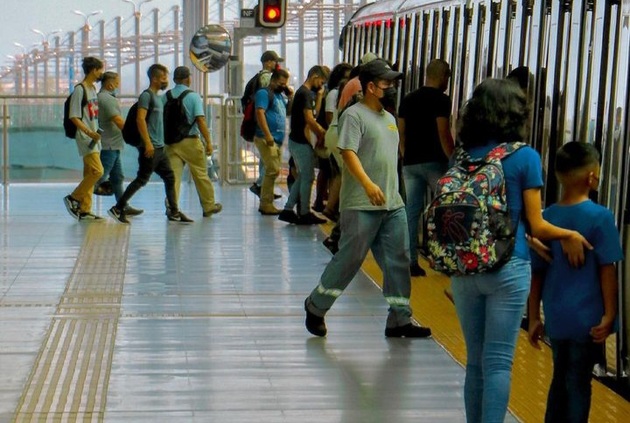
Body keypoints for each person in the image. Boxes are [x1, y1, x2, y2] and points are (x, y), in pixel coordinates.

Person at [449, 78, 592, 423]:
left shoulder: (462, 154)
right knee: (498, 361)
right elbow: (538, 223)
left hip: (466, 267)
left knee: (475, 361)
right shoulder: (525, 157)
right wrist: (570, 234)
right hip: (508, 267)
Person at [303, 59, 432, 338]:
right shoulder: (354, 116)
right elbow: (348, 152)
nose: (392, 87)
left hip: (391, 203)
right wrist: (368, 184)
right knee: (350, 259)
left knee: (398, 259)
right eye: (387, 83)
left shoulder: (388, 119)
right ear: (371, 87)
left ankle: (400, 318)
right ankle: (316, 306)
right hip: (362, 203)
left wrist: (394, 191)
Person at [528, 141, 622, 423]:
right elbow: (608, 270)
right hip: (588, 320)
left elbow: (537, 273)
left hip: (556, 317)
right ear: (593, 177)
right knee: (579, 383)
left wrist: (533, 317)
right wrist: (610, 314)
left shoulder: (547, 219)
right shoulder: (601, 217)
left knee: (560, 378)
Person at [108, 64, 193, 224]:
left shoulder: (158, 98)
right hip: (151, 147)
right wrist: (147, 143)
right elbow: (140, 119)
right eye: (163, 78)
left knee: (169, 177)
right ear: (154, 78)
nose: (165, 81)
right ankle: (118, 208)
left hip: (159, 148)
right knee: (142, 179)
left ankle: (174, 211)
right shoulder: (146, 96)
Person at [398, 59, 454, 277]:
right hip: (435, 164)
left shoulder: (408, 99)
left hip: (411, 164)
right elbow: (443, 133)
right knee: (446, 210)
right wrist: (454, 161)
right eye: (448, 77)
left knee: (411, 212)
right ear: (443, 76)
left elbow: (400, 132)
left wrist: (405, 154)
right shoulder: (442, 100)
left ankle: (411, 261)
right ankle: (442, 259)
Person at [164, 66, 222, 217]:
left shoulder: (166, 96)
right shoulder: (193, 96)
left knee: (174, 177)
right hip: (190, 141)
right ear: (187, 79)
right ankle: (209, 206)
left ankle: (172, 207)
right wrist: (208, 141)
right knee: (201, 174)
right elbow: (200, 120)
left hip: (170, 142)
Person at [278, 65, 329, 225]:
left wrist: (320, 96)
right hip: (301, 141)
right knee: (308, 176)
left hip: (298, 141)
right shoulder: (305, 94)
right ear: (314, 76)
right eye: (321, 81)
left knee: (303, 177)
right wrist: (322, 133)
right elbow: (309, 119)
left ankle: (288, 209)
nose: (321, 85)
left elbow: (313, 113)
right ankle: (305, 212)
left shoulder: (305, 93)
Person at [95, 71, 143, 217]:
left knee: (117, 177)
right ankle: (79, 199)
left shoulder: (105, 97)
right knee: (99, 178)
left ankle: (122, 205)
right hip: (108, 144)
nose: (117, 86)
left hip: (113, 144)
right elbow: (118, 120)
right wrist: (134, 136)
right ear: (110, 84)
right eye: (116, 83)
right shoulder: (106, 99)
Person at [63, 56, 105, 221]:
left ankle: (85, 209)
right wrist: (89, 133)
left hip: (94, 136)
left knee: (89, 172)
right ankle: (73, 197)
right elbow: (74, 117)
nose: (101, 73)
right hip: (86, 137)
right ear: (94, 70)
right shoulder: (80, 90)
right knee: (97, 171)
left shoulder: (93, 89)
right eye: (100, 69)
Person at [253, 68, 293, 215]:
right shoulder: (264, 93)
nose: (283, 86)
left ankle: (266, 201)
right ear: (274, 80)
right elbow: (260, 112)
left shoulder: (279, 96)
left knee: (272, 170)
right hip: (266, 139)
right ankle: (266, 203)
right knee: (272, 170)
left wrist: (291, 96)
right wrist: (268, 134)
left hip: (276, 140)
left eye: (285, 84)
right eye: (281, 83)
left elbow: (288, 112)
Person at [246, 50, 284, 199]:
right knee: (269, 163)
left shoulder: (260, 77)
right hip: (267, 130)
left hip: (267, 129)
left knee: (265, 160)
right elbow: (265, 105)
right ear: (268, 62)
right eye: (275, 61)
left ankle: (263, 188)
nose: (277, 64)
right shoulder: (266, 78)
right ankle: (262, 187)